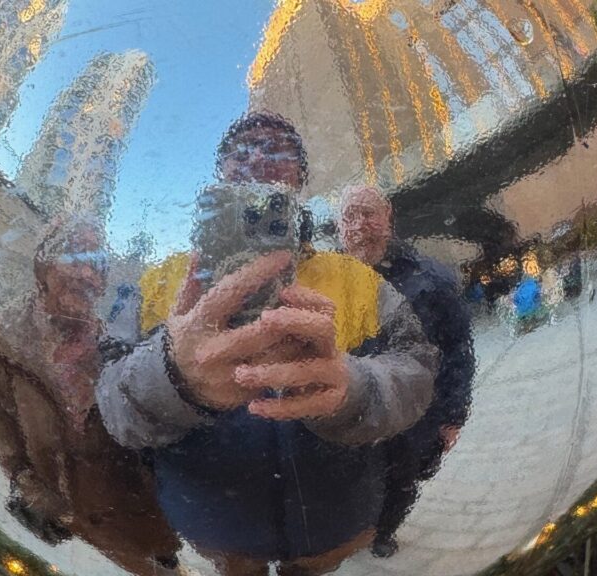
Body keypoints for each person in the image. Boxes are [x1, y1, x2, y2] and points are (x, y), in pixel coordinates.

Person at [97, 113, 439, 576]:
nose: (258, 157)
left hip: (335, 522)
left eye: (277, 148)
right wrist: (171, 377)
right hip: (216, 527)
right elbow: (108, 400)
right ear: (221, 173)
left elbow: (418, 368)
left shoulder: (356, 279)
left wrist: (355, 388)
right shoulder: (159, 281)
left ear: (300, 178)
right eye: (242, 150)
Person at [0, 218, 181, 574]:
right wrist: (42, 499)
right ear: (43, 265)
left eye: (97, 266)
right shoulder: (7, 344)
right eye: (74, 258)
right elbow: (6, 439)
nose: (87, 275)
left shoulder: (113, 347)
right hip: (69, 533)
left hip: (136, 526)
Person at [339, 185, 475, 558]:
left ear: (388, 218)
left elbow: (458, 349)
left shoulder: (430, 278)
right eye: (348, 217)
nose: (358, 226)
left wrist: (453, 415)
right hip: (351, 410)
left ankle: (384, 531)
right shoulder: (330, 280)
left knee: (402, 479)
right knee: (351, 478)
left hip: (414, 414)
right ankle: (355, 528)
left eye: (368, 214)